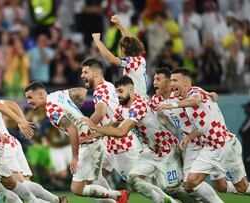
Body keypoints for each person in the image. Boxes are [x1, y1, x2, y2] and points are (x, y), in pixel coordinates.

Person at [24, 82, 129, 203]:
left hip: (88, 144)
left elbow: (72, 129)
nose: (28, 101)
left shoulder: (51, 109)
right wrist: (75, 113)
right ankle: (116, 198)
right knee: (94, 181)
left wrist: (75, 156)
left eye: (30, 97)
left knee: (77, 189)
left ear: (41, 95)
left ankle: (118, 195)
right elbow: (81, 91)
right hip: (93, 140)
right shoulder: (58, 95)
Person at [82, 76, 181, 203]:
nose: (118, 95)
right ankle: (166, 201)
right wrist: (91, 136)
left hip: (167, 150)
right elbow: (110, 126)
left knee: (176, 188)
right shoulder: (122, 108)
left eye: (121, 91)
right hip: (151, 150)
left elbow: (122, 132)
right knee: (134, 181)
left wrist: (93, 126)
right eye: (116, 92)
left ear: (131, 89)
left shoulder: (138, 106)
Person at [0, 79, 67, 203]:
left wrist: (21, 121)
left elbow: (11, 104)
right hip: (5, 145)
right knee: (20, 183)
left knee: (15, 184)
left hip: (3, 147)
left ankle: (55, 201)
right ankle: (57, 200)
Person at [158, 68, 250, 197]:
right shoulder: (185, 99)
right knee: (192, 184)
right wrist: (188, 138)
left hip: (225, 146)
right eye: (171, 80)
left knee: (242, 187)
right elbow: (199, 124)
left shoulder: (195, 92)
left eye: (175, 80)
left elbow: (195, 100)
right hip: (208, 149)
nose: (171, 83)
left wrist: (173, 105)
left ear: (185, 82)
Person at [80, 58, 141, 193]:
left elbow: (100, 113)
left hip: (121, 145)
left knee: (140, 184)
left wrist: (84, 130)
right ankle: (117, 198)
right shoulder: (107, 86)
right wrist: (94, 135)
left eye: (85, 72)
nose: (82, 75)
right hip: (110, 142)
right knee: (93, 177)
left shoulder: (101, 90)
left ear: (96, 74)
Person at [92, 15, 148, 97]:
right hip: (137, 98)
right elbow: (131, 41)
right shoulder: (139, 59)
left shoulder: (131, 62)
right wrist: (119, 24)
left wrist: (97, 41)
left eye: (120, 47)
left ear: (124, 49)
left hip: (137, 101)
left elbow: (112, 60)